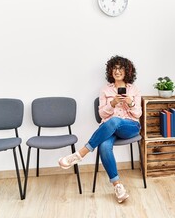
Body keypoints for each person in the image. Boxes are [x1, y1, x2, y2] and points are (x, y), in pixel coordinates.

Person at [58, 55, 142, 203]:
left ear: (127, 71)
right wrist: (113, 103)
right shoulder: (105, 90)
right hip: (109, 127)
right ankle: (118, 186)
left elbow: (138, 114)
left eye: (120, 68)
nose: (117, 71)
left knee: (115, 120)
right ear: (110, 71)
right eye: (114, 68)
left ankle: (80, 154)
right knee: (104, 145)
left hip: (130, 126)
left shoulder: (133, 89)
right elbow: (102, 114)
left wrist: (130, 103)